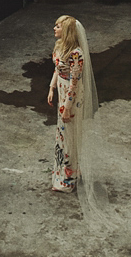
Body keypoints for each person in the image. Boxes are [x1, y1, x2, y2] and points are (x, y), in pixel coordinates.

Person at [46, 15, 104, 211]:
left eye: (58, 26)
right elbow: (57, 69)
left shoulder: (76, 54)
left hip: (72, 96)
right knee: (62, 135)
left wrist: (67, 107)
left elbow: (75, 82)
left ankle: (68, 179)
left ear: (68, 30)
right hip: (61, 89)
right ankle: (62, 172)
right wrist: (52, 87)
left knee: (69, 135)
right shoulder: (60, 47)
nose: (54, 28)